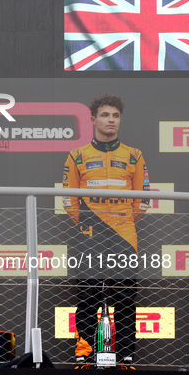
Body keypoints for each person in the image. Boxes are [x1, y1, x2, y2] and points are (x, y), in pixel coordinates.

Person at [62, 95, 149, 367]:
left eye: (115, 116)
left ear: (120, 120)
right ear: (93, 119)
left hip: (125, 235)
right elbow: (68, 200)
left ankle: (125, 355)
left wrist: (121, 221)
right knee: (87, 296)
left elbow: (142, 200)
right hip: (89, 236)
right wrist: (90, 223)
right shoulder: (77, 156)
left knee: (125, 298)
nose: (110, 120)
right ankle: (85, 352)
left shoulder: (134, 155)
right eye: (105, 115)